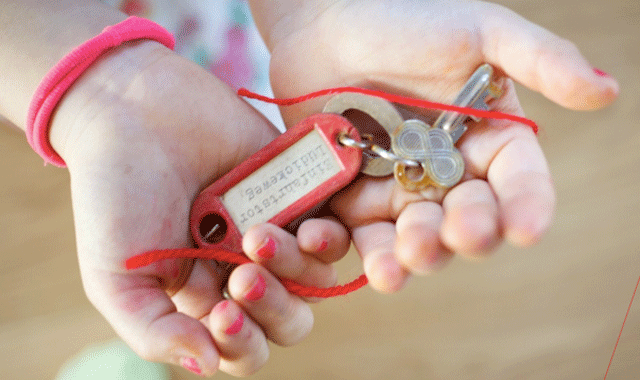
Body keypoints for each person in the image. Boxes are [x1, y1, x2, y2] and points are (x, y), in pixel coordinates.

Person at [0, 0, 618, 377]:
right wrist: (94, 92)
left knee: (246, 109)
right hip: (57, 45)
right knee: (241, 144)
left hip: (232, 31)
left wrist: (316, 9)